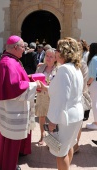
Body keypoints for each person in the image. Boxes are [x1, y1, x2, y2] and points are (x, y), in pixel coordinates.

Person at [0, 35, 41, 170]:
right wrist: (35, 85)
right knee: (11, 137)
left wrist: (28, 78)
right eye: (23, 47)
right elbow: (15, 87)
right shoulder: (10, 62)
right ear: (15, 47)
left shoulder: (10, 59)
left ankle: (5, 159)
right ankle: (9, 165)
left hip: (10, 106)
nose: (24, 50)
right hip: (13, 107)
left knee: (7, 136)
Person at [41, 37, 83, 170]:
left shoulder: (64, 69)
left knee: (60, 153)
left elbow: (63, 98)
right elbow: (68, 92)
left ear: (64, 52)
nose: (56, 52)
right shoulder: (75, 68)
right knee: (68, 146)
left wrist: (53, 121)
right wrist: (46, 88)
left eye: (58, 49)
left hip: (65, 118)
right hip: (75, 115)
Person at [35, 48, 58, 145]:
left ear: (55, 58)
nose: (48, 58)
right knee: (41, 116)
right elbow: (35, 78)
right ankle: (42, 135)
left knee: (53, 118)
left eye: (51, 56)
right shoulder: (40, 67)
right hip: (41, 96)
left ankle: (52, 139)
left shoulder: (59, 69)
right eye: (47, 56)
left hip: (53, 97)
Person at [86, 43, 97, 130]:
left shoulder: (94, 59)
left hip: (94, 83)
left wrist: (88, 84)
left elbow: (92, 75)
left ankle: (96, 123)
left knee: (95, 103)